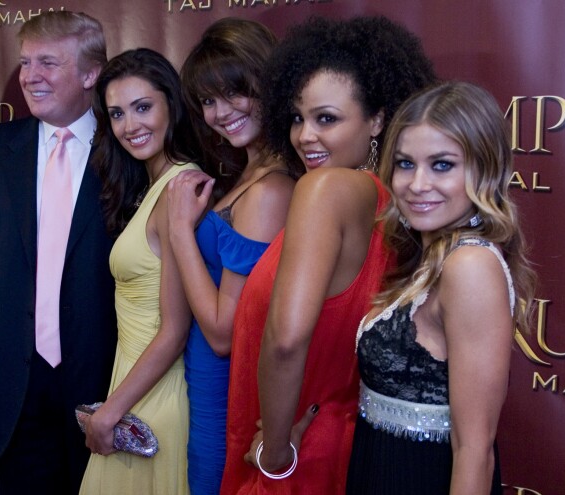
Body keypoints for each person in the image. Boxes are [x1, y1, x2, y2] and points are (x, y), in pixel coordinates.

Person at [221, 17, 437, 494]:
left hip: (296, 455)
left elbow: (285, 339)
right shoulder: (389, 204)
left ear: (378, 119)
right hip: (338, 442)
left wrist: (275, 453)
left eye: (327, 118)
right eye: (297, 118)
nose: (304, 136)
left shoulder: (325, 191)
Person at [0, 11, 117, 494]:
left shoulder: (125, 151)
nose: (30, 76)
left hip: (106, 381)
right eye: (25, 62)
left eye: (48, 62)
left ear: (89, 73)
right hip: (12, 383)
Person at [346, 82, 536, 495]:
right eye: (405, 163)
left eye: (442, 165)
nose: (416, 184)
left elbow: (474, 450)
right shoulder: (428, 256)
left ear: (483, 170)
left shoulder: (470, 265)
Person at [170, 18, 299, 495]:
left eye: (234, 92)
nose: (221, 112)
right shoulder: (248, 177)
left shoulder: (271, 191)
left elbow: (225, 332)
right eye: (207, 101)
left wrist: (181, 229)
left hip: (226, 395)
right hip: (202, 391)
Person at [78, 47, 200, 495]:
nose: (131, 126)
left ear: (172, 103)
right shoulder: (155, 186)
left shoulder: (178, 188)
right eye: (117, 113)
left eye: (143, 107)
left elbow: (175, 329)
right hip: (134, 390)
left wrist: (110, 413)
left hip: (155, 399)